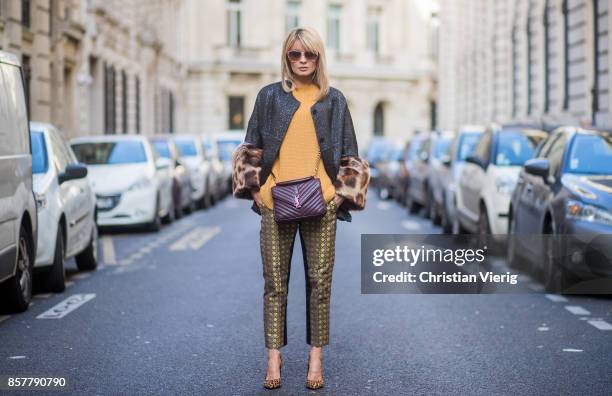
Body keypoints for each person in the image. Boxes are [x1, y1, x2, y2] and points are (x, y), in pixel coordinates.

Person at [231, 26, 370, 390]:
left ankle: (315, 360)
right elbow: (250, 146)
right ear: (287, 57)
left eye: (310, 54)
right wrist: (257, 192)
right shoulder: (269, 97)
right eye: (296, 54)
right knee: (275, 284)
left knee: (319, 284)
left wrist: (338, 195)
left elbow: (350, 153)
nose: (303, 60)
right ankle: (274, 358)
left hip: (321, 205)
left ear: (319, 58)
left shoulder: (334, 100)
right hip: (275, 205)